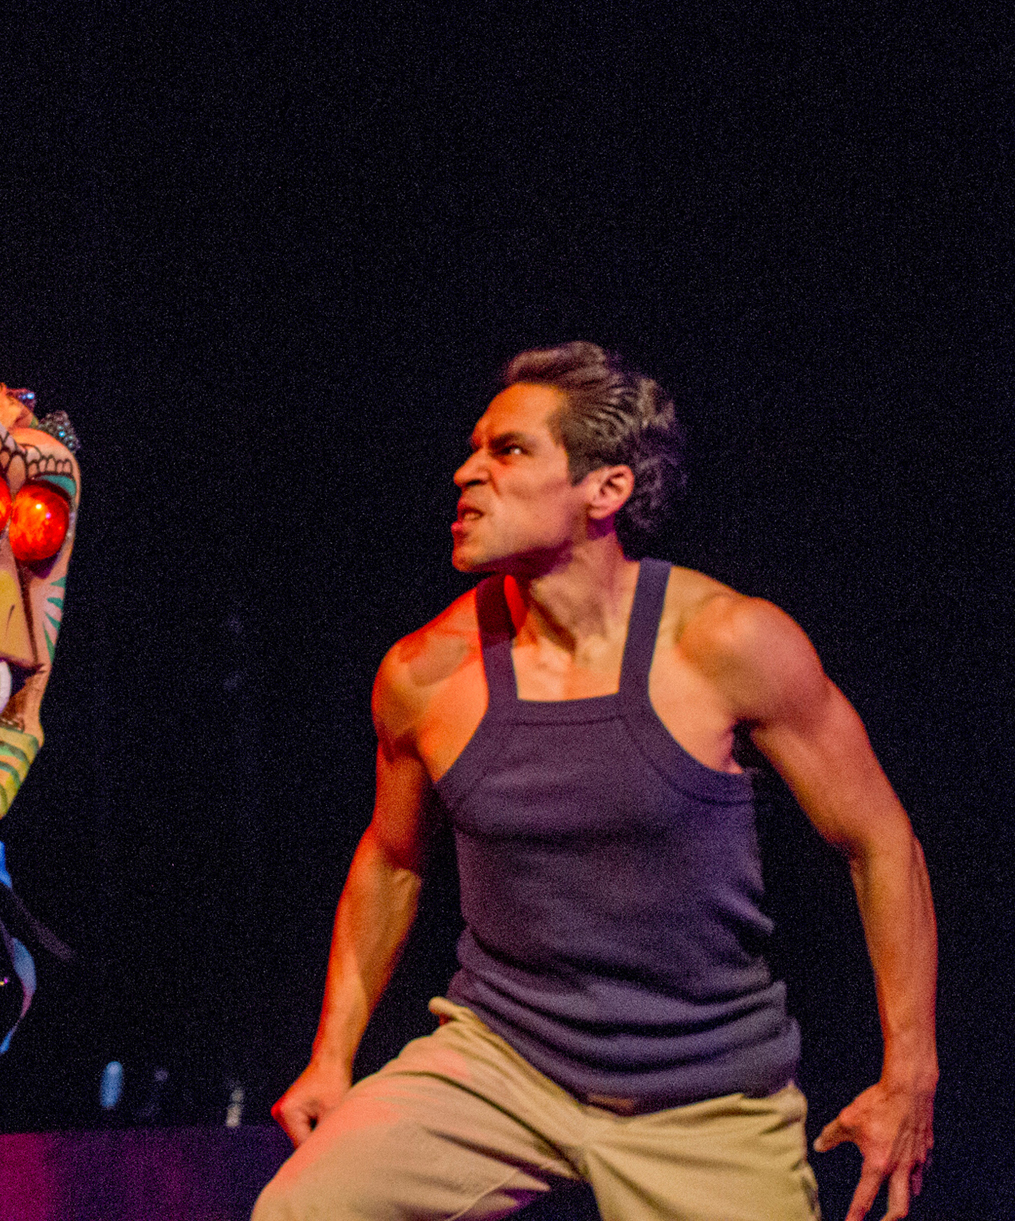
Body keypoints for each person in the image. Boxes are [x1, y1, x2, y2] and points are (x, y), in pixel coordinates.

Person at [255, 342, 936, 1221]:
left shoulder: (727, 643)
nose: (467, 473)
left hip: (705, 1092)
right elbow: (392, 861)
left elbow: (879, 840)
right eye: (473, 449)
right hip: (500, 1062)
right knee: (303, 1208)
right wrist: (331, 1057)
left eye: (509, 450)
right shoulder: (425, 674)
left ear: (606, 489)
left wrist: (908, 1074)